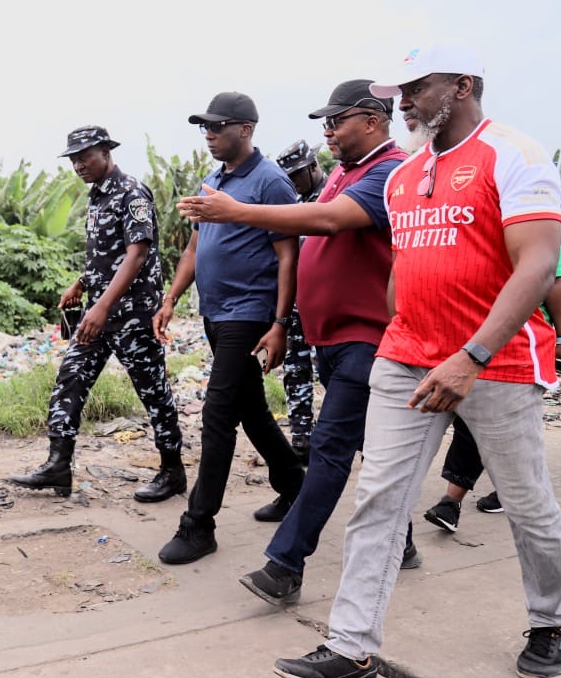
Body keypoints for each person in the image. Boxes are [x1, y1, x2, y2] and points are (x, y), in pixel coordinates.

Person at [275, 44, 561, 678]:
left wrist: (471, 356)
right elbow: (405, 268)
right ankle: (351, 652)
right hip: (407, 359)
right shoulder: (406, 177)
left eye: (415, 88)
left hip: (498, 363)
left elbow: (538, 265)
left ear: (461, 87)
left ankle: (554, 621)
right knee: (379, 498)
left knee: (527, 506)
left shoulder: (514, 154)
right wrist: (397, 334)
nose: (401, 101)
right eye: (396, 90)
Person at [177, 79, 415, 598]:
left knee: (329, 449)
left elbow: (326, 223)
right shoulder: (343, 174)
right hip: (329, 338)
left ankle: (284, 565)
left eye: (337, 120)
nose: (327, 130)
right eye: (323, 122)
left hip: (366, 335)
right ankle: (406, 538)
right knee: (373, 446)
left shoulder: (389, 171)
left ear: (373, 121)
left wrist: (235, 212)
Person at [154, 93, 306, 565]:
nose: (209, 134)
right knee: (251, 409)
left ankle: (199, 524)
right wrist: (171, 296)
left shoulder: (271, 182)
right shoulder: (212, 181)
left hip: (250, 313)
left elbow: (289, 256)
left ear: (246, 129)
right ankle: (296, 487)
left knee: (218, 413)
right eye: (205, 127)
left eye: (217, 126)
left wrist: (280, 323)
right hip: (215, 313)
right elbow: (195, 250)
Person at [7, 126, 186, 503]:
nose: (78, 164)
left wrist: (102, 305)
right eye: (73, 159)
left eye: (85, 156)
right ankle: (58, 465)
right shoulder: (97, 196)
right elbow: (107, 255)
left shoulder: (131, 193)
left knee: (152, 391)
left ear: (105, 151)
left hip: (133, 315)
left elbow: (136, 255)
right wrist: (82, 284)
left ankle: (173, 470)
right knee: (70, 378)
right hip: (98, 314)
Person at [424, 266, 561, 531]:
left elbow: (556, 281)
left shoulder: (532, 229)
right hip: (473, 339)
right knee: (478, 429)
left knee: (480, 428)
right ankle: (462, 500)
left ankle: (455, 501)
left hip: (517, 348)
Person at [275, 140, 328, 462]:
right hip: (296, 307)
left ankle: (338, 438)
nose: (293, 181)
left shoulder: (335, 197)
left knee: (331, 374)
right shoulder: (292, 201)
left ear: (312, 166)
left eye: (297, 174)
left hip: (327, 306)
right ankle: (302, 438)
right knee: (296, 373)